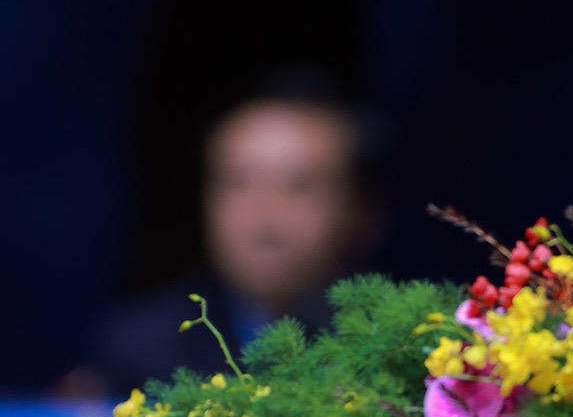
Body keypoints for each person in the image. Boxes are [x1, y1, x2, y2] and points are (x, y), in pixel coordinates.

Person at [88, 71, 386, 396]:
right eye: (237, 183)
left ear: (361, 211)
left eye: (299, 186)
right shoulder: (141, 346)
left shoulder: (392, 345)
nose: (265, 216)